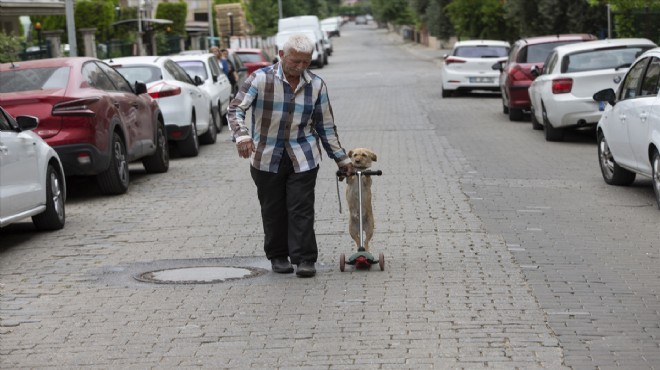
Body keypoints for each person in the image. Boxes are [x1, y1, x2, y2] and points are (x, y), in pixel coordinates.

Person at [227, 33, 353, 277]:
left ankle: (305, 258)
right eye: (295, 61)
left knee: (301, 207)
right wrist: (242, 136)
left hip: (303, 154)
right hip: (265, 155)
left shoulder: (316, 85)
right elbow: (236, 109)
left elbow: (325, 126)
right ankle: (278, 255)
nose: (301, 67)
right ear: (282, 55)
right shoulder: (260, 79)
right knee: (273, 209)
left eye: (306, 62)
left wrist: (341, 157)